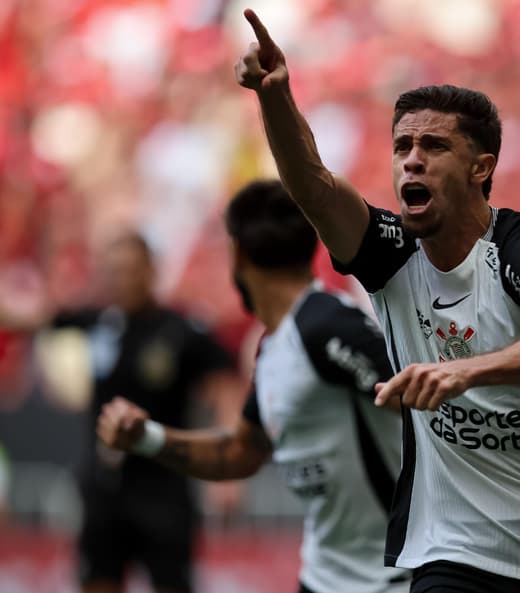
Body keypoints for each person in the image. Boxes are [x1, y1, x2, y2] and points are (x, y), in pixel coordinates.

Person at [234, 9, 520, 593]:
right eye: (402, 146)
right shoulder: (388, 255)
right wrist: (275, 98)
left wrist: (461, 373)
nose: (411, 159)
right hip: (455, 548)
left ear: (481, 168)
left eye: (433, 146)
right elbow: (313, 185)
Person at [97, 180, 410, 593]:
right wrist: (146, 437)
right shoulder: (276, 346)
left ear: (238, 255)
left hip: (391, 581)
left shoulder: (328, 326)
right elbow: (240, 451)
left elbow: (417, 400)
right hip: (324, 578)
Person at [40, 232, 237, 593]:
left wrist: (227, 473)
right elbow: (32, 318)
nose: (122, 279)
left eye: (131, 270)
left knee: (171, 583)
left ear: (150, 271)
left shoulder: (181, 330)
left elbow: (226, 382)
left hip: (164, 487)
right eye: (114, 271)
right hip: (103, 487)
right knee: (98, 580)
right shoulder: (94, 322)